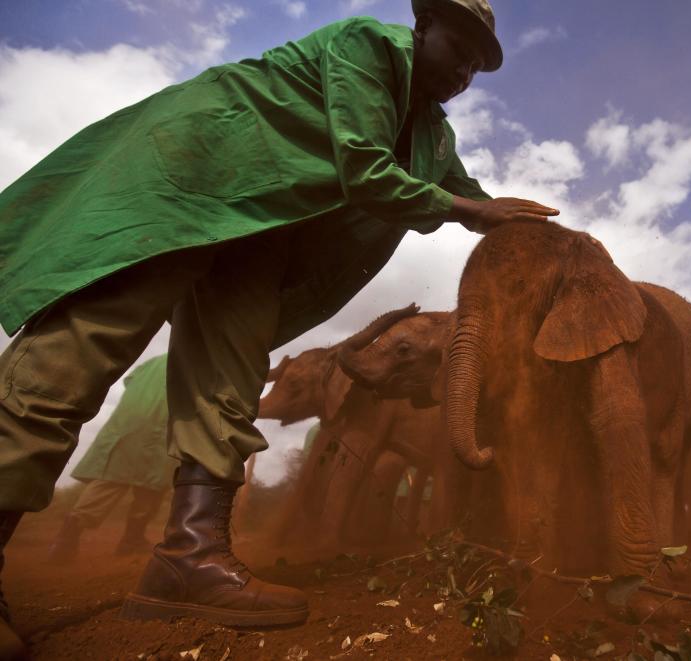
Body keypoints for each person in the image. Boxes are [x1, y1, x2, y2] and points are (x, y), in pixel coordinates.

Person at [0, 0, 558, 650]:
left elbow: (476, 199)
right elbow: (364, 167)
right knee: (86, 343)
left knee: (228, 376)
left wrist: (528, 235)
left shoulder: (435, 137)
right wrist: (467, 210)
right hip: (195, 169)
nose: (464, 68)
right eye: (457, 45)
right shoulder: (367, 49)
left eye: (477, 63)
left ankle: (190, 556)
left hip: (263, 226)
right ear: (422, 25)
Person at [48, 355, 177, 562]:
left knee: (111, 478)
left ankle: (65, 541)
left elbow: (129, 381)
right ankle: (130, 541)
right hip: (161, 424)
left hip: (127, 423)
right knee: (152, 484)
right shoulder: (196, 362)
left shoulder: (155, 361)